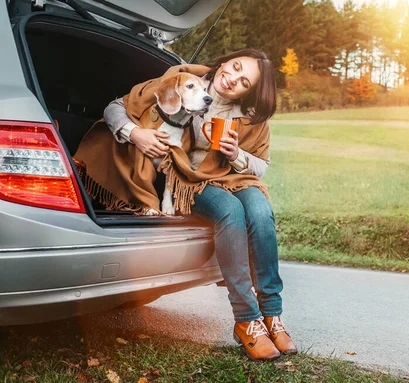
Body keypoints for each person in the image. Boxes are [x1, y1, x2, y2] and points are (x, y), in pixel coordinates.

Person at [103, 49, 295, 361]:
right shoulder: (182, 80)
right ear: (225, 61)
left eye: (243, 81)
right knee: (230, 211)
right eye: (234, 67)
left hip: (229, 176)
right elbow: (115, 108)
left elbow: (261, 166)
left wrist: (236, 156)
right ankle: (247, 319)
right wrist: (135, 133)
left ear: (250, 91)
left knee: (260, 211)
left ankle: (272, 313)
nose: (232, 78)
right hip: (187, 179)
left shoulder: (251, 114)